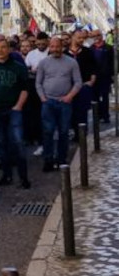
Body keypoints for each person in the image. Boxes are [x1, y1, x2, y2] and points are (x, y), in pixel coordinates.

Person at [0, 36, 30, 189]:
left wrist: (18, 106)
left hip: (13, 110)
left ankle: (23, 178)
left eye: (3, 47)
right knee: (2, 144)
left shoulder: (18, 66)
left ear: (9, 48)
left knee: (17, 143)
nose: (0, 50)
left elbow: (25, 89)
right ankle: (6, 175)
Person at [36, 36, 82, 171]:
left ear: (62, 47)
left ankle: (62, 159)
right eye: (53, 47)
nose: (55, 49)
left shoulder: (72, 62)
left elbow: (78, 82)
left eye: (58, 46)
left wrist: (69, 96)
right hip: (48, 102)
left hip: (65, 102)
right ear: (50, 47)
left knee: (63, 132)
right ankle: (48, 159)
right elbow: (38, 82)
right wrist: (42, 98)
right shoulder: (44, 63)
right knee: (47, 131)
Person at [68, 31, 97, 139]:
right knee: (72, 111)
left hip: (84, 85)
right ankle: (75, 131)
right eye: (79, 38)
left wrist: (92, 80)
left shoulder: (87, 52)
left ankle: (82, 134)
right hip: (69, 87)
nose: (81, 40)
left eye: (82, 38)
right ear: (73, 37)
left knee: (82, 111)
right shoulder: (66, 53)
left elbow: (93, 67)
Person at [90, 30, 114, 123]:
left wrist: (112, 75)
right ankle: (97, 115)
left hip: (105, 77)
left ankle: (106, 116)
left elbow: (113, 62)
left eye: (98, 35)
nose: (96, 37)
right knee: (95, 97)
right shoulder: (91, 49)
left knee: (105, 97)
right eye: (94, 36)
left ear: (101, 36)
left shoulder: (108, 48)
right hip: (94, 77)